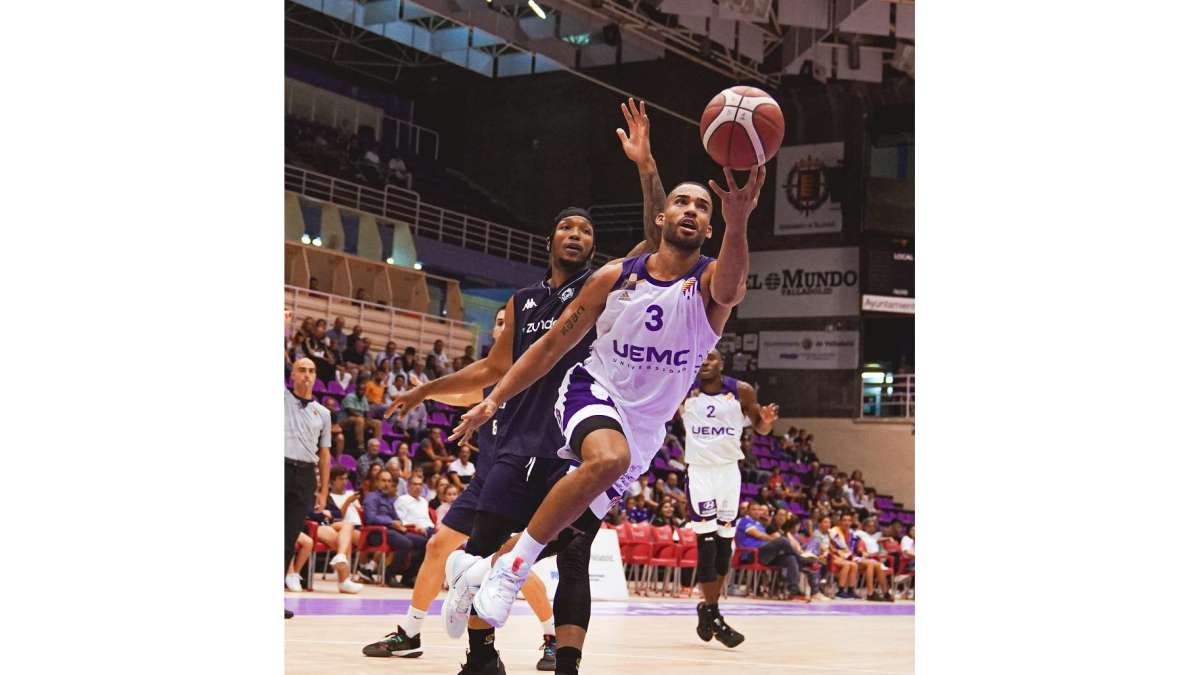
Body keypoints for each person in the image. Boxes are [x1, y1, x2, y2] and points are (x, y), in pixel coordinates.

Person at [364, 99, 669, 675]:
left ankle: (564, 655)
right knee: (477, 552)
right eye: (567, 227)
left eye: (586, 230)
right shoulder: (522, 301)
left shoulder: (605, 286)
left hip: (571, 444)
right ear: (551, 239)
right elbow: (491, 372)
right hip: (513, 443)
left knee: (571, 553)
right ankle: (481, 657)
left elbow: (655, 244)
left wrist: (644, 165)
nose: (577, 234)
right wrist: (426, 390)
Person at [451, 133, 766, 633]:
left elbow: (732, 285)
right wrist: (496, 400)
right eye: (681, 201)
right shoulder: (615, 276)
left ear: (710, 225)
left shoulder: (711, 283)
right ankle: (512, 571)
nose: (691, 209)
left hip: (646, 426)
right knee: (608, 458)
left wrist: (741, 219)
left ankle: (478, 569)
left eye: (702, 206)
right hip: (591, 391)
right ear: (661, 218)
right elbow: (551, 345)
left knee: (573, 529)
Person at [678, 349, 779, 643]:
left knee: (725, 548)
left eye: (711, 358)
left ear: (721, 365)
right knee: (707, 545)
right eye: (700, 359)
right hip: (699, 472)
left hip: (729, 474)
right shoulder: (683, 389)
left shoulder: (741, 391)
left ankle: (707, 609)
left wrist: (768, 421)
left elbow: (760, 428)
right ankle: (715, 613)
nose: (705, 363)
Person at [284, 358, 332, 619]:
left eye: (311, 371)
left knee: (289, 538)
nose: (307, 375)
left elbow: (324, 455)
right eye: (302, 370)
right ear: (292, 375)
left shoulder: (323, 413)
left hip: (305, 475)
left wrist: (323, 491)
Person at [361, 470, 427, 588]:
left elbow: (396, 517)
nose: (387, 484)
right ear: (376, 482)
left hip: (392, 531)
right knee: (405, 543)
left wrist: (400, 524)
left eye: (389, 481)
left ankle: (408, 576)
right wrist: (391, 522)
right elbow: (370, 518)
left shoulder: (388, 499)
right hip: (376, 533)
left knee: (424, 543)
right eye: (383, 480)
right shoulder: (371, 497)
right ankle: (389, 575)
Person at [734, 503, 804, 599]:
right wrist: (775, 541)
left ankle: (794, 590)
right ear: (748, 511)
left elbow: (768, 537)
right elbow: (759, 535)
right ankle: (802, 560)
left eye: (759, 509)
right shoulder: (744, 521)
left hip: (763, 555)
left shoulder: (759, 524)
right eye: (754, 509)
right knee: (782, 540)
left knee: (790, 558)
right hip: (751, 554)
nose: (757, 512)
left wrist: (774, 539)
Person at [340, 375, 381, 451]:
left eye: (363, 390)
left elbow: (366, 412)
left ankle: (376, 445)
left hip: (360, 420)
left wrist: (370, 420)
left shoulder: (364, 398)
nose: (361, 392)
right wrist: (364, 419)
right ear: (356, 390)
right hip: (346, 420)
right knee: (360, 420)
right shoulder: (350, 397)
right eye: (360, 390)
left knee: (377, 423)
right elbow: (350, 411)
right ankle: (360, 445)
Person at [828, 512, 862, 599]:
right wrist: (838, 553)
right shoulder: (833, 532)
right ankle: (841, 590)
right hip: (833, 557)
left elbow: (854, 548)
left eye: (849, 520)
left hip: (846, 557)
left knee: (854, 565)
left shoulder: (852, 533)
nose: (847, 523)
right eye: (844, 520)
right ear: (840, 522)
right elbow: (831, 547)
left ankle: (850, 590)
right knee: (847, 564)